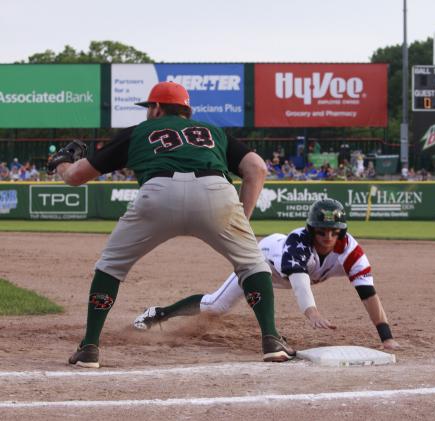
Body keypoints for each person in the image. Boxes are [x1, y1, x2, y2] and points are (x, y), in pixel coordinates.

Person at [49, 81, 294, 368]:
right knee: (253, 265)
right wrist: (241, 221)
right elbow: (257, 168)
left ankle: (89, 347)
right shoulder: (213, 132)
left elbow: (75, 176)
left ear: (156, 107)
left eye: (149, 107)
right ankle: (271, 340)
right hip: (215, 192)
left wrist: (61, 163)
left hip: (159, 192)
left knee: (110, 266)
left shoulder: (139, 132)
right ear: (186, 111)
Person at [133, 199, 401, 351]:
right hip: (262, 259)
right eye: (321, 231)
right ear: (311, 230)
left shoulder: (351, 251)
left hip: (298, 273)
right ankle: (158, 314)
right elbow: (299, 283)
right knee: (216, 305)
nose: (328, 237)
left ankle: (269, 335)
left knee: (352, 279)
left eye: (334, 231)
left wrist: (386, 337)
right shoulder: (298, 242)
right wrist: (312, 312)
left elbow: (368, 294)